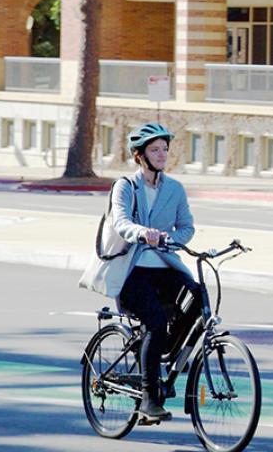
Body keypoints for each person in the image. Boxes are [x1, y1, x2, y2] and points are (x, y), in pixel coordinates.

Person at [112, 122, 197, 423]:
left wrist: (171, 240)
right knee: (156, 322)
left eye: (164, 149)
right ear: (140, 156)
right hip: (132, 271)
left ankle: (166, 353)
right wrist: (143, 233)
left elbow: (187, 226)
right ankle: (150, 399)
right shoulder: (126, 186)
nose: (162, 155)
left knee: (199, 296)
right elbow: (120, 222)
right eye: (154, 150)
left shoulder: (174, 189)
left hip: (164, 265)